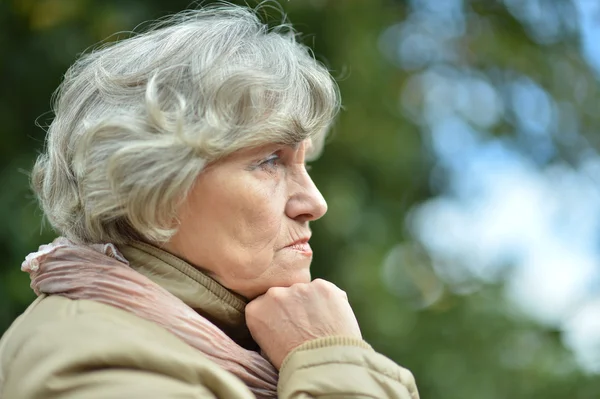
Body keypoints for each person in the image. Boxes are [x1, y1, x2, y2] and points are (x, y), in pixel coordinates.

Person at [0, 4, 419, 398]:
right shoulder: (87, 355)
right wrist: (334, 361)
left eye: (304, 162)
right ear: (152, 183)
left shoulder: (213, 344)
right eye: (270, 161)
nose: (314, 202)